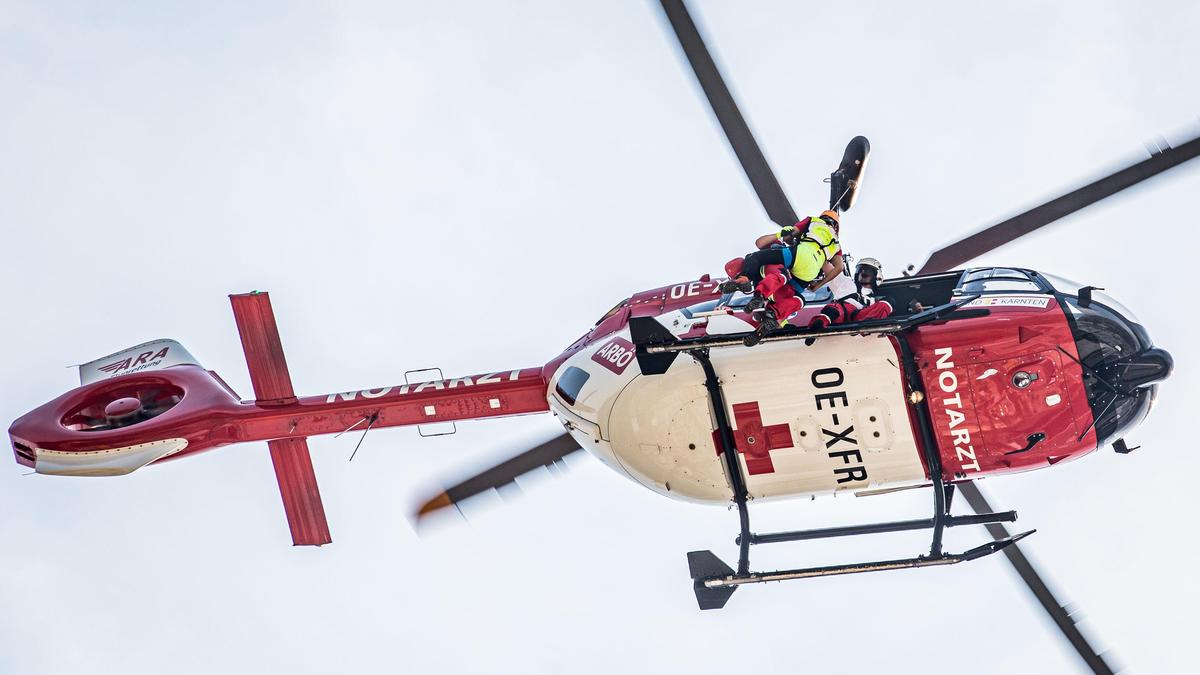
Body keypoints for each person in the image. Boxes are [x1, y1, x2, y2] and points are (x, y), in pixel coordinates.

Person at [718, 211, 845, 346]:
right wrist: (819, 284)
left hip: (790, 265)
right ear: (836, 226)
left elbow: (790, 234)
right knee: (797, 297)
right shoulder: (836, 245)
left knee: (766, 267)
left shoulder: (813, 221)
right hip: (807, 272)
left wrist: (784, 234)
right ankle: (769, 314)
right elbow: (839, 267)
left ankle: (751, 289)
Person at [806, 257, 893, 330]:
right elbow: (827, 265)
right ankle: (819, 324)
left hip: (860, 320)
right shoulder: (846, 282)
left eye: (867, 272)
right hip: (841, 314)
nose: (862, 273)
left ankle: (870, 327)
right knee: (836, 308)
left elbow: (877, 310)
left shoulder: (873, 301)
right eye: (860, 270)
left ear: (877, 277)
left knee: (885, 304)